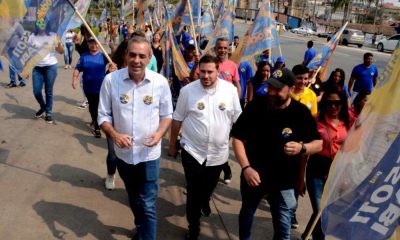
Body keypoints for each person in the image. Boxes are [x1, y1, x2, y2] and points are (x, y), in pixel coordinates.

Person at [231, 68, 322, 240]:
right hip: (254, 176)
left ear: (290, 88)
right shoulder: (257, 105)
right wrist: (246, 168)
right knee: (247, 214)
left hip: (284, 180)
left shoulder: (300, 112)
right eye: (270, 87)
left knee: (283, 225)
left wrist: (302, 148)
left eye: (277, 89)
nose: (271, 92)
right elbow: (237, 138)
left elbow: (318, 144)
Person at [98, 35, 173, 240]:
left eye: (142, 56)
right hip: (123, 155)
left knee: (148, 203)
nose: (136, 60)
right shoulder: (111, 81)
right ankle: (141, 229)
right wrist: (114, 135)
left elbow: (167, 115)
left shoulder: (159, 83)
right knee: (133, 198)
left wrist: (159, 134)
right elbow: (103, 116)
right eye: (132, 55)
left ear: (149, 58)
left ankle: (145, 233)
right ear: (126, 55)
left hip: (149, 155)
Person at [168, 55, 242, 240]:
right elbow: (177, 119)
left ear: (218, 71)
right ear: (198, 71)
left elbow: (238, 120)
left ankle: (205, 199)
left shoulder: (230, 91)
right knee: (193, 191)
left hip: (218, 155)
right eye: (202, 72)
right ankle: (193, 228)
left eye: (210, 72)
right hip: (192, 151)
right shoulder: (188, 91)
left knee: (207, 189)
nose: (206, 76)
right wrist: (171, 145)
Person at [302, 86, 350, 240]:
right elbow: (304, 151)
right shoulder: (315, 120)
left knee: (325, 211)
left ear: (342, 103)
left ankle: (306, 235)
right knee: (320, 210)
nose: (333, 106)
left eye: (337, 103)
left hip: (336, 171)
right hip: (316, 168)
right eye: (329, 103)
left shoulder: (348, 122)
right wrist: (299, 178)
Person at [72, 37, 116, 138]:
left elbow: (114, 58)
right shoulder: (84, 56)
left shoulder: (103, 56)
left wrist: (112, 48)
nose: (94, 46)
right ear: (88, 44)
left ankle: (97, 126)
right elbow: (78, 68)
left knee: (99, 106)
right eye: (91, 43)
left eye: (96, 43)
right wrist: (74, 79)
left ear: (99, 45)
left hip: (102, 86)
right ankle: (94, 120)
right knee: (92, 106)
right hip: (88, 87)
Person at [214, 37, 242, 184]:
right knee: (214, 141)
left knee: (223, 141)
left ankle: (225, 169)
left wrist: (235, 104)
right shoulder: (210, 64)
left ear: (228, 49)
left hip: (226, 111)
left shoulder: (232, 66)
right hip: (211, 109)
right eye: (220, 47)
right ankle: (219, 170)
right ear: (215, 49)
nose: (222, 50)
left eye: (225, 47)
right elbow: (195, 78)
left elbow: (238, 86)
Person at [32, 23, 64, 124]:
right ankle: (43, 107)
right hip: (37, 68)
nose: (41, 26)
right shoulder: (32, 37)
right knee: (36, 91)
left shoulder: (53, 36)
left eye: (43, 23)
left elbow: (61, 51)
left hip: (50, 66)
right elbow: (29, 52)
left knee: (48, 91)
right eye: (39, 23)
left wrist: (58, 44)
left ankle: (48, 113)